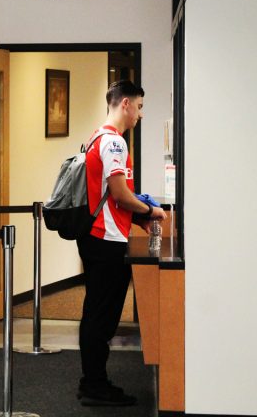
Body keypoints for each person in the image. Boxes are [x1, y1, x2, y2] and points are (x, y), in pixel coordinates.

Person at [77, 80, 166, 406]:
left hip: (96, 236)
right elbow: (119, 194)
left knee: (96, 311)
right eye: (140, 107)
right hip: (106, 238)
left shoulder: (94, 137)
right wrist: (149, 210)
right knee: (102, 314)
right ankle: (95, 386)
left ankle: (93, 382)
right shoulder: (114, 143)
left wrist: (137, 214)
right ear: (125, 103)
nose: (140, 115)